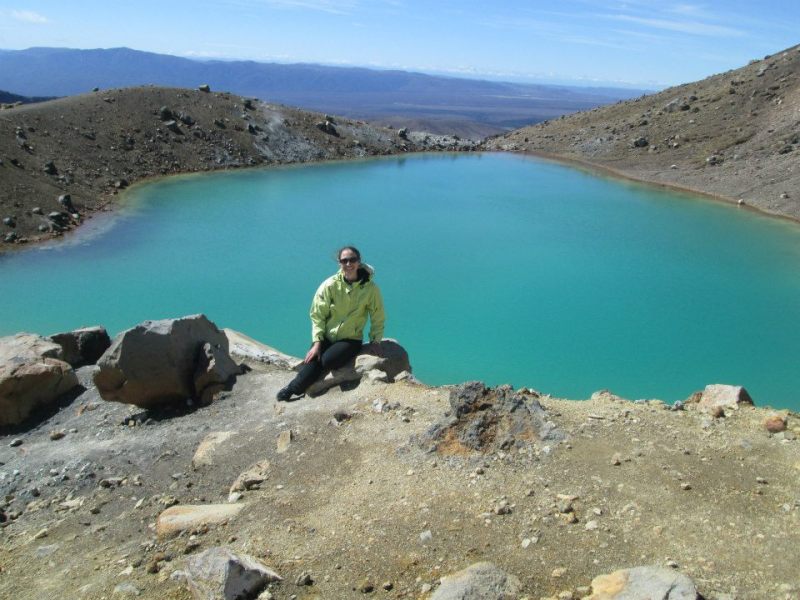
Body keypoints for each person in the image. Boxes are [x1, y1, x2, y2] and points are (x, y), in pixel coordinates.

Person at [277, 245, 385, 401]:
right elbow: (317, 314)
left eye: (352, 260)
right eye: (344, 260)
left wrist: (375, 341)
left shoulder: (370, 289)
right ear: (339, 263)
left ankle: (293, 388)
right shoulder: (330, 285)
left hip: (350, 339)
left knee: (327, 360)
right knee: (314, 359)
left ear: (359, 261)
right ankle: (292, 388)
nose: (348, 264)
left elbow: (378, 315)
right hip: (327, 336)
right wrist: (317, 342)